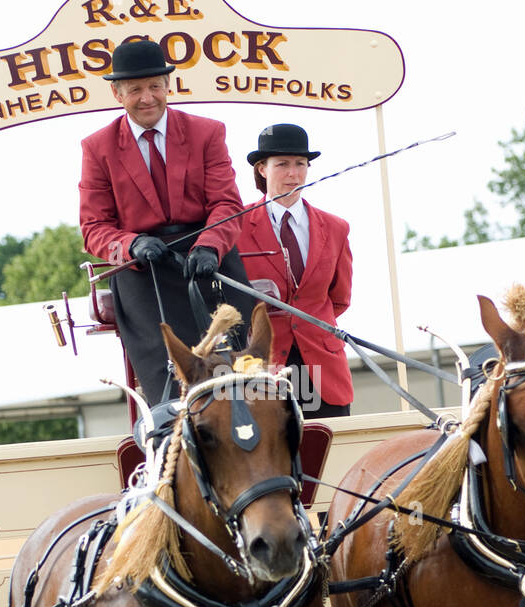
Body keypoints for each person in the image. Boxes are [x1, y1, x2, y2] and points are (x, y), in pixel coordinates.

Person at [79, 39, 256, 406]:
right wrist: (131, 245)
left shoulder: (207, 132)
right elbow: (94, 227)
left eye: (155, 86)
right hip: (144, 273)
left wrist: (210, 245)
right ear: (117, 93)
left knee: (244, 371)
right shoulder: (98, 147)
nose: (147, 98)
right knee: (169, 385)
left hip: (208, 262)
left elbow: (226, 203)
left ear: (168, 86)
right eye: (135, 90)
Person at [238, 123, 354, 418]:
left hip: (323, 370)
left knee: (328, 453)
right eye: (283, 164)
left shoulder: (336, 228)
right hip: (262, 368)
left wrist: (308, 325)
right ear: (262, 169)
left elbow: (339, 299)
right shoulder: (235, 227)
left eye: (300, 164)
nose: (293, 173)